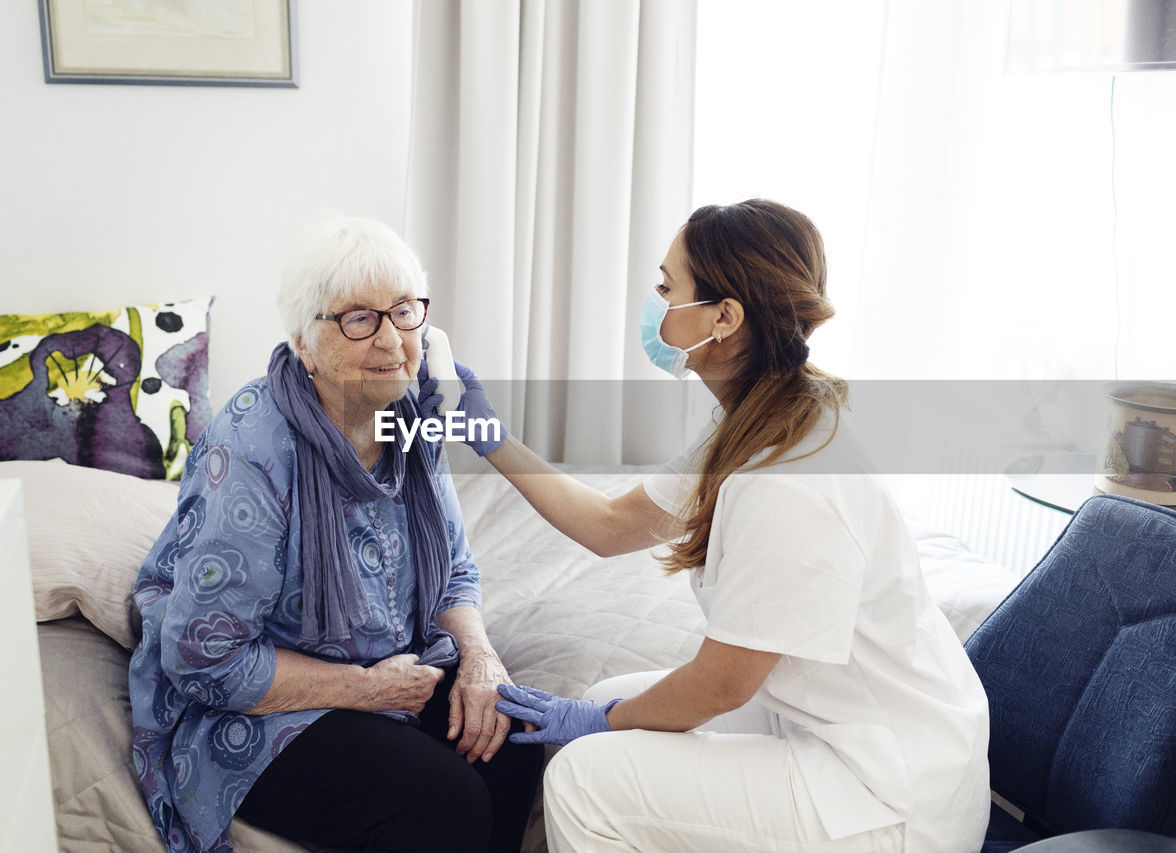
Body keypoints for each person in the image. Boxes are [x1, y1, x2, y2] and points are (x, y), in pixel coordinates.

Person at [418, 199, 991, 852]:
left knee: (584, 774)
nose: (655, 303)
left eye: (668, 286)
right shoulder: (756, 415)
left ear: (725, 316)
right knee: (610, 700)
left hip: (891, 796)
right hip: (840, 726)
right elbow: (610, 524)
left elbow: (723, 681)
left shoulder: (791, 478)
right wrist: (492, 439)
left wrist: (597, 723)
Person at [127, 215, 542, 853]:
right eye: (357, 318)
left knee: (515, 737)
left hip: (398, 663)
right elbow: (203, 659)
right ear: (303, 342)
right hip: (264, 699)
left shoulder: (415, 417)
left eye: (404, 312)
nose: (391, 341)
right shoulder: (252, 452)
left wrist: (481, 662)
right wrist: (367, 690)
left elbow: (455, 570)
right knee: (443, 798)